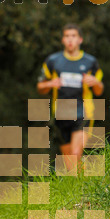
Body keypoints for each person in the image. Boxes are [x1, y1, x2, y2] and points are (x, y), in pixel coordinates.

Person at [37, 23, 103, 167]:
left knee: (75, 154)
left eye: (73, 36)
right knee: (70, 163)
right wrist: (50, 84)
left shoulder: (90, 62)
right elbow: (40, 86)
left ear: (80, 39)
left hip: (83, 113)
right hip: (61, 114)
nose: (70, 40)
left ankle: (86, 184)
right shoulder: (53, 61)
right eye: (67, 36)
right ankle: (84, 185)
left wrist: (95, 83)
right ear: (62, 40)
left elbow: (99, 90)